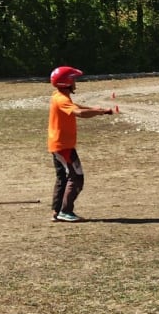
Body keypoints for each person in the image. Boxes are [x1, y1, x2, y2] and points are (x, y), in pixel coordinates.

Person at [47, 66, 117, 222]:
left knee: (63, 178)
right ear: (67, 82)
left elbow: (76, 106)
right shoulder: (62, 99)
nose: (75, 83)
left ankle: (57, 211)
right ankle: (65, 211)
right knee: (77, 177)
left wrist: (98, 109)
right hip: (63, 147)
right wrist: (98, 112)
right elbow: (78, 113)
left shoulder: (58, 95)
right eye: (74, 80)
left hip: (58, 144)